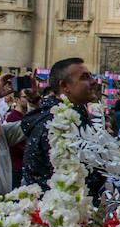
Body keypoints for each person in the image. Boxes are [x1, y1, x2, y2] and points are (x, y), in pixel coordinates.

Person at [20, 57, 105, 198]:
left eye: (91, 76)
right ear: (65, 86)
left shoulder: (76, 114)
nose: (93, 81)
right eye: (85, 77)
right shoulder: (55, 123)